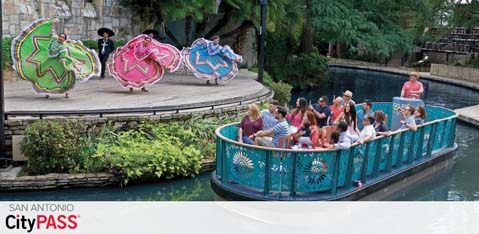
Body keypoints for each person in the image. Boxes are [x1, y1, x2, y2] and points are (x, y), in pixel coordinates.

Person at [11, 18, 100, 98]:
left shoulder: (63, 47)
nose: (61, 38)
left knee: (63, 79)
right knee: (44, 76)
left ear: (64, 39)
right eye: (60, 36)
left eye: (63, 37)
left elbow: (63, 57)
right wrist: (52, 24)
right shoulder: (54, 39)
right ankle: (46, 92)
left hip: (59, 64)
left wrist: (64, 66)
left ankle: (66, 93)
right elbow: (52, 33)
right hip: (49, 61)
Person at [108, 34, 182, 92]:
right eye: (146, 40)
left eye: (149, 40)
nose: (147, 41)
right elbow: (131, 47)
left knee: (144, 76)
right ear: (144, 40)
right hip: (133, 61)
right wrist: (125, 51)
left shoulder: (151, 47)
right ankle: (131, 87)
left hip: (145, 63)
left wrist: (162, 62)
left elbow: (154, 54)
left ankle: (143, 87)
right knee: (130, 74)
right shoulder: (138, 44)